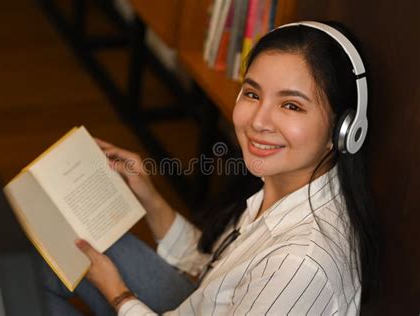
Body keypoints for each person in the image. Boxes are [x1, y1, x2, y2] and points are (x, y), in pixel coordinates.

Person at [40, 21, 379, 315]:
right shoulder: (283, 181)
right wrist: (151, 200)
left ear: (342, 131)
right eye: (252, 94)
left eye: (291, 105)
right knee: (57, 242)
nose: (259, 120)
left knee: (24, 296)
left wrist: (118, 295)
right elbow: (218, 275)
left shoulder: (301, 264)